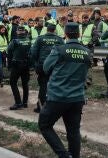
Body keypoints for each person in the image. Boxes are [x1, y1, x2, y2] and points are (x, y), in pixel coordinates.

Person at [39, 23, 91, 158]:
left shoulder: (59, 49)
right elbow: (86, 74)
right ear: (79, 34)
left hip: (57, 96)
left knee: (44, 125)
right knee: (73, 131)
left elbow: (46, 67)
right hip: (77, 98)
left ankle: (64, 155)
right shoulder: (87, 52)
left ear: (65, 34)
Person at [30, 23, 64, 113]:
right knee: (55, 86)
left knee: (43, 86)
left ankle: (40, 107)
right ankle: (55, 107)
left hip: (42, 66)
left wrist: (36, 64)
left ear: (47, 29)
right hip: (55, 67)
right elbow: (63, 53)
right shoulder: (59, 40)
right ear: (55, 30)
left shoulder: (40, 39)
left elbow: (33, 53)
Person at [7, 26, 31, 110]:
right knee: (25, 83)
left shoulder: (14, 41)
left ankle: (18, 103)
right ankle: (25, 103)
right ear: (24, 32)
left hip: (17, 64)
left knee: (13, 83)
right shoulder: (28, 40)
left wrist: (9, 65)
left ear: (17, 32)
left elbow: (9, 52)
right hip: (26, 64)